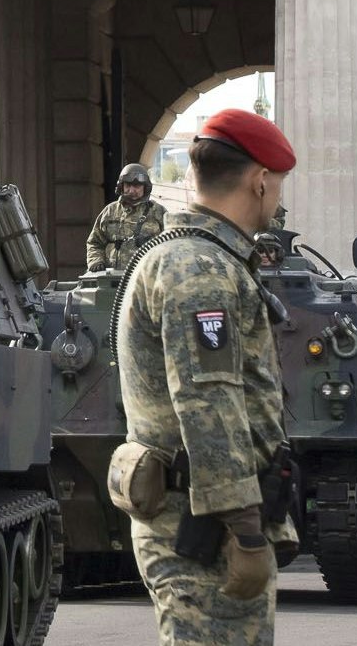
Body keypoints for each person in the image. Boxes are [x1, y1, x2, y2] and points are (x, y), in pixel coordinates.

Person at [115, 109, 297, 646]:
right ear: (259, 180)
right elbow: (207, 404)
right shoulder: (200, 269)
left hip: (201, 516)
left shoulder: (204, 259)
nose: (279, 197)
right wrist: (244, 530)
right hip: (206, 529)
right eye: (278, 183)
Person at [87, 163, 169, 272]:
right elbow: (94, 242)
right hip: (112, 279)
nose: (131, 190)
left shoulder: (158, 212)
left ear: (145, 187)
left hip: (147, 278)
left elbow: (171, 244)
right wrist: (96, 260)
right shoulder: (110, 211)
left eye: (137, 186)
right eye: (128, 185)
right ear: (121, 186)